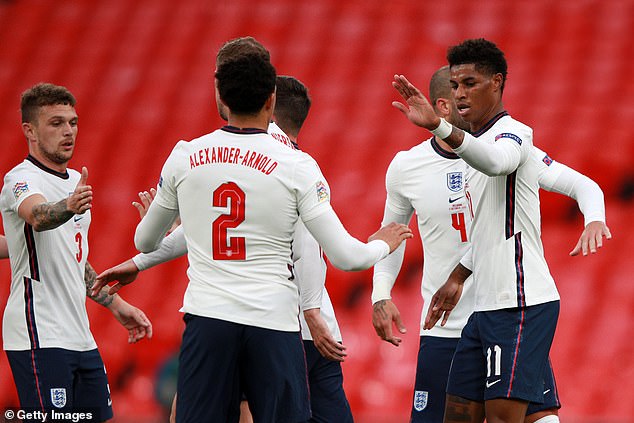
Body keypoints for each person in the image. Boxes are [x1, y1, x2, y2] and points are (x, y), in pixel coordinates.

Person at [130, 51, 411, 422]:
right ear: (271, 99)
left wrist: (174, 231)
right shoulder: (295, 164)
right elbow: (346, 257)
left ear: (221, 97)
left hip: (209, 318)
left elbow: (145, 241)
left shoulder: (186, 155)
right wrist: (383, 242)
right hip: (272, 322)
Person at [95, 75, 354, 423]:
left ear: (268, 107)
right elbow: (311, 245)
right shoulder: (299, 169)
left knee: (200, 410)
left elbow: (294, 243)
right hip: (303, 325)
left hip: (257, 319)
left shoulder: (239, 162)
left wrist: (142, 258)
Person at [372, 65, 610, 423]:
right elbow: (392, 233)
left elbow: (583, 185)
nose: (471, 101)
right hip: (446, 327)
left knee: (541, 419)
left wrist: (595, 217)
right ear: (443, 105)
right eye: (460, 93)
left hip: (507, 316)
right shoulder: (407, 167)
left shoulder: (506, 153)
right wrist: (380, 293)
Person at [0, 83, 153, 421]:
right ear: (30, 131)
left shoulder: (73, 183)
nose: (68, 131)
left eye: (73, 122)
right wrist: (68, 207)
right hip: (38, 333)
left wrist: (115, 303)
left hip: (80, 336)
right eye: (56, 123)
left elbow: (73, 257)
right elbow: (38, 217)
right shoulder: (21, 179)